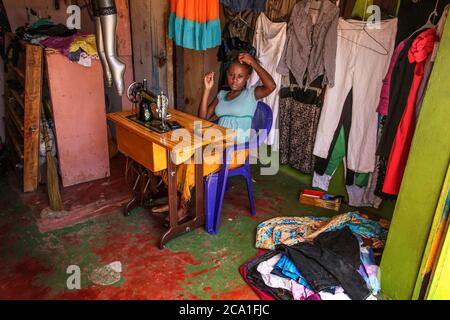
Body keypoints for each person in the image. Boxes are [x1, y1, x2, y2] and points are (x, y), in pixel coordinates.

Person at [152, 51, 276, 222]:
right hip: (216, 143)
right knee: (178, 154)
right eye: (231, 75)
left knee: (192, 162)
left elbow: (271, 86)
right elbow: (202, 118)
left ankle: (183, 208)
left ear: (247, 78)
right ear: (226, 75)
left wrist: (253, 63)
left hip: (234, 150)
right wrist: (207, 90)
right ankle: (176, 200)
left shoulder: (251, 95)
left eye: (240, 76)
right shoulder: (222, 95)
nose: (234, 79)